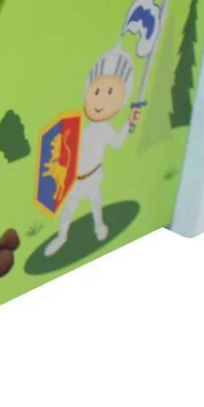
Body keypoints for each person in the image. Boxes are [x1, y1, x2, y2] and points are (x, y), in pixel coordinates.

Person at [44, 46, 143, 257]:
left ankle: (99, 227)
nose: (100, 101)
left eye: (110, 92)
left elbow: (117, 143)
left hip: (93, 176)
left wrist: (128, 123)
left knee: (96, 202)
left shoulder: (105, 129)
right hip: (76, 179)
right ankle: (62, 236)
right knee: (68, 209)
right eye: (96, 92)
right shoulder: (82, 129)